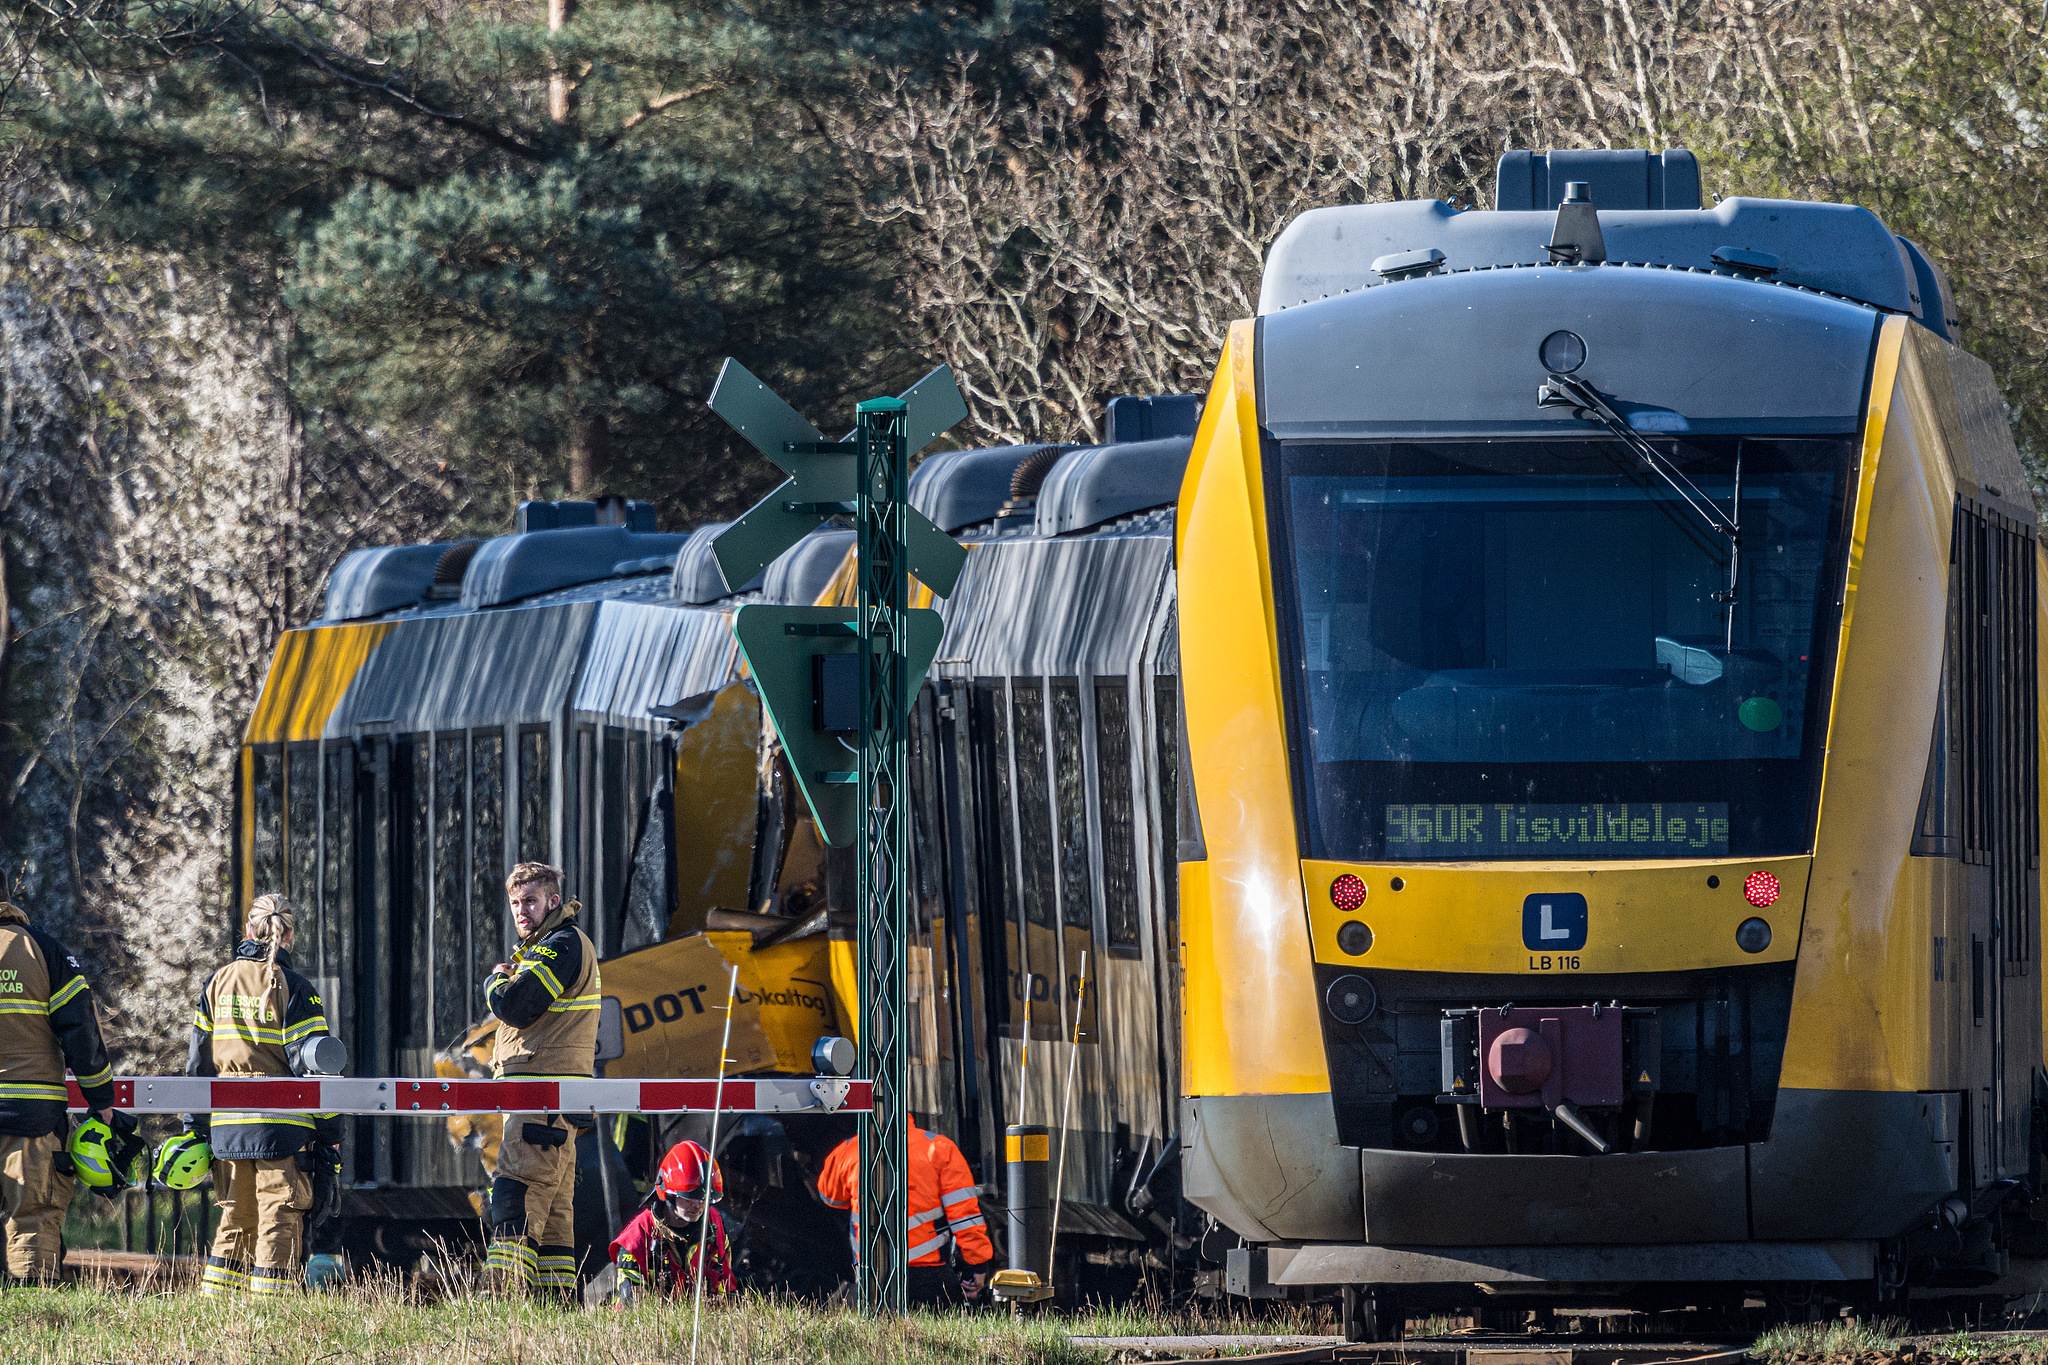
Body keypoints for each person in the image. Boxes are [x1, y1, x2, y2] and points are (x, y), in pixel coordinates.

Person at [185, 894, 340, 1298]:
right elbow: (315, 1069)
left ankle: (217, 1309)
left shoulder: (216, 983)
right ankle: (271, 1313)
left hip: (227, 1130)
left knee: (235, 1218)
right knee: (279, 1216)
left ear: (249, 930)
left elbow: (198, 1065)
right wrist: (330, 1133)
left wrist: (194, 1128)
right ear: (289, 935)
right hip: (282, 1130)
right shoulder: (297, 988)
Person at [482, 862, 601, 1297]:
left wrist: (495, 983)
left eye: (529, 900)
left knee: (515, 1197)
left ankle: (502, 1303)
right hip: (553, 1099)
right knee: (552, 1218)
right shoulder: (550, 945)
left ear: (553, 901)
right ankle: (554, 1308)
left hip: (541, 1095)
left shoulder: (560, 944)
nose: (520, 910)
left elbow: (516, 1005)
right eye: (514, 902)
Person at [0, 897, 118, 1282]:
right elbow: (81, 1029)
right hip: (31, 1114)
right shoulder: (43, 949)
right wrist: (100, 1097)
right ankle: (31, 1315)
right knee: (32, 1216)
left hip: (30, 1112)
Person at [816, 1117, 994, 1307]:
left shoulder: (850, 1149)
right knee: (953, 1311)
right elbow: (964, 1216)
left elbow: (831, 1198)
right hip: (928, 1272)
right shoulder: (940, 1148)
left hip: (871, 1269)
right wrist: (978, 1266)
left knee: (876, 1321)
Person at [605, 1139, 736, 1304]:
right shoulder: (637, 1238)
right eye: (689, 1198)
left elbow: (726, 1287)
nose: (698, 1205)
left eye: (704, 1198)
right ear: (667, 1194)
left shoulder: (714, 1223)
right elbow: (631, 1310)